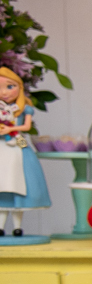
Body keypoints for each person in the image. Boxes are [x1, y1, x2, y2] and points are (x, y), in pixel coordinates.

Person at [0, 66, 52, 236]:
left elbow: (26, 127)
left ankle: (17, 227)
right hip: (2, 143)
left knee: (25, 168)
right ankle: (1, 226)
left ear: (19, 87)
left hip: (18, 139)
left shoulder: (24, 108)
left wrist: (10, 129)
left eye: (10, 86)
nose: (4, 92)